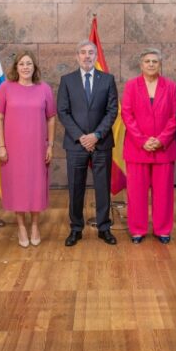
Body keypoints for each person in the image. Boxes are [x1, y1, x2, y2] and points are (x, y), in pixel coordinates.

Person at [57, 40, 119, 247]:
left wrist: (97, 135)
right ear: (77, 56)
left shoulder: (108, 79)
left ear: (96, 56)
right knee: (76, 188)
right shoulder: (67, 80)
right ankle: (76, 229)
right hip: (76, 144)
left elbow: (112, 111)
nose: (87, 56)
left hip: (101, 143)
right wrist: (82, 137)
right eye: (83, 53)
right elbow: (63, 112)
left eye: (91, 53)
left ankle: (104, 228)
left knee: (103, 187)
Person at [0, 51, 56, 248]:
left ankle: (35, 225)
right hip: (13, 148)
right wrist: (1, 146)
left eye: (29, 64)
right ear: (16, 67)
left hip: (38, 147)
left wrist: (50, 145)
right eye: (22, 64)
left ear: (34, 67)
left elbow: (51, 118)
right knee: (18, 187)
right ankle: (21, 226)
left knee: (36, 187)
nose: (26, 67)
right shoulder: (5, 87)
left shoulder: (44, 88)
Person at [120, 48, 176, 244]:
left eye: (155, 61)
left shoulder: (170, 86)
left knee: (163, 193)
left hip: (164, 149)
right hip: (137, 148)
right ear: (141, 64)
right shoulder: (131, 85)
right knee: (136, 192)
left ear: (160, 64)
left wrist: (161, 140)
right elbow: (127, 115)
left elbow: (175, 116)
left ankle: (163, 229)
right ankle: (137, 229)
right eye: (147, 61)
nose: (151, 64)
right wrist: (143, 140)